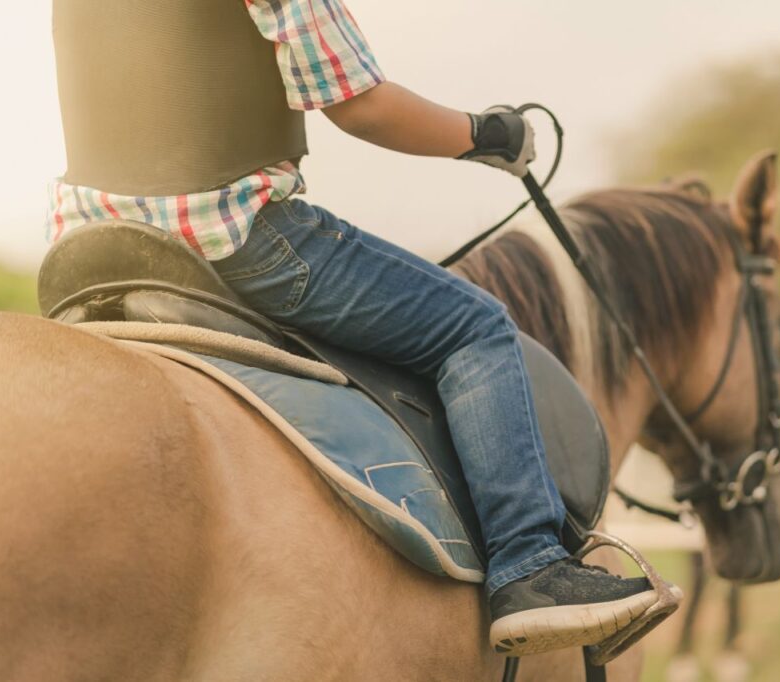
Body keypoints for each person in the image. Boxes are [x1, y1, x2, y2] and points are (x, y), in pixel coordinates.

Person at [47, 0, 655, 656]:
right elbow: (361, 105)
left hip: (90, 253)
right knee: (475, 330)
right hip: (238, 240)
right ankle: (529, 564)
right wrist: (484, 134)